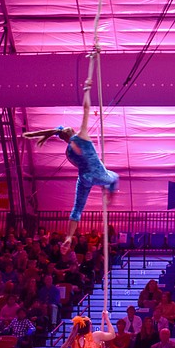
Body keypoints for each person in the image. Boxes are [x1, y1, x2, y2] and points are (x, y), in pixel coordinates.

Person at [23, 79, 120, 254]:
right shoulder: (81, 136)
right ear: (73, 132)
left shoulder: (67, 152)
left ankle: (68, 237)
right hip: (97, 173)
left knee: (77, 209)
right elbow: (86, 109)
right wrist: (87, 90)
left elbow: (82, 160)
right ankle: (110, 195)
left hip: (84, 178)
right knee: (114, 178)